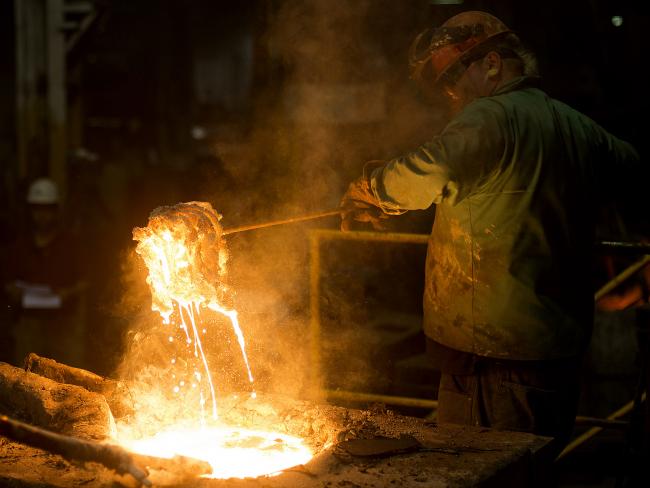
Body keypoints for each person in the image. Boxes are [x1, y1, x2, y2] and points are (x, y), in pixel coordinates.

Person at [339, 11, 642, 455]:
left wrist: (372, 189)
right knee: (535, 471)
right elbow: (633, 171)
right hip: (555, 352)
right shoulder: (577, 126)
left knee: (483, 471)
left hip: (493, 360)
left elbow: (434, 167)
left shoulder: (491, 116)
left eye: (454, 79)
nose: (452, 95)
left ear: (493, 63)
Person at [1, 178, 87, 367]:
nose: (42, 215)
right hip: (29, 324)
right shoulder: (18, 247)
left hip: (64, 324)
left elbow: (85, 282)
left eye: (47, 209)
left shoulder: (71, 245)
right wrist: (14, 292)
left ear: (56, 210)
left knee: (67, 380)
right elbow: (7, 282)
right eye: (37, 209)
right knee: (27, 380)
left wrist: (68, 294)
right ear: (30, 211)